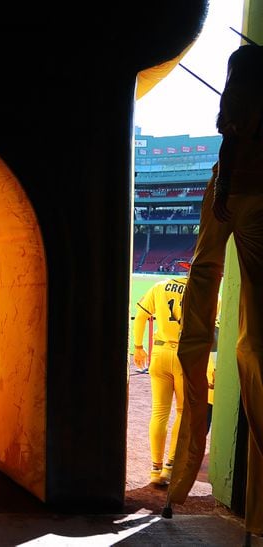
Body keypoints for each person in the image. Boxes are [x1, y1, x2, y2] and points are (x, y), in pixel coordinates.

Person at [166, 44, 263, 543]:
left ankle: (182, 474)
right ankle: (258, 514)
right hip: (262, 198)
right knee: (255, 342)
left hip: (232, 192)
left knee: (197, 321)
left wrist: (223, 191)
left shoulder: (243, 80)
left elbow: (229, 141)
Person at [132, 275, 187, 485]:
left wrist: (138, 347)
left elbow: (140, 316)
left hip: (160, 353)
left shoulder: (160, 286)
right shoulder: (206, 292)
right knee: (183, 411)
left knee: (159, 412)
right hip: (186, 356)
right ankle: (169, 468)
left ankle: (155, 469)